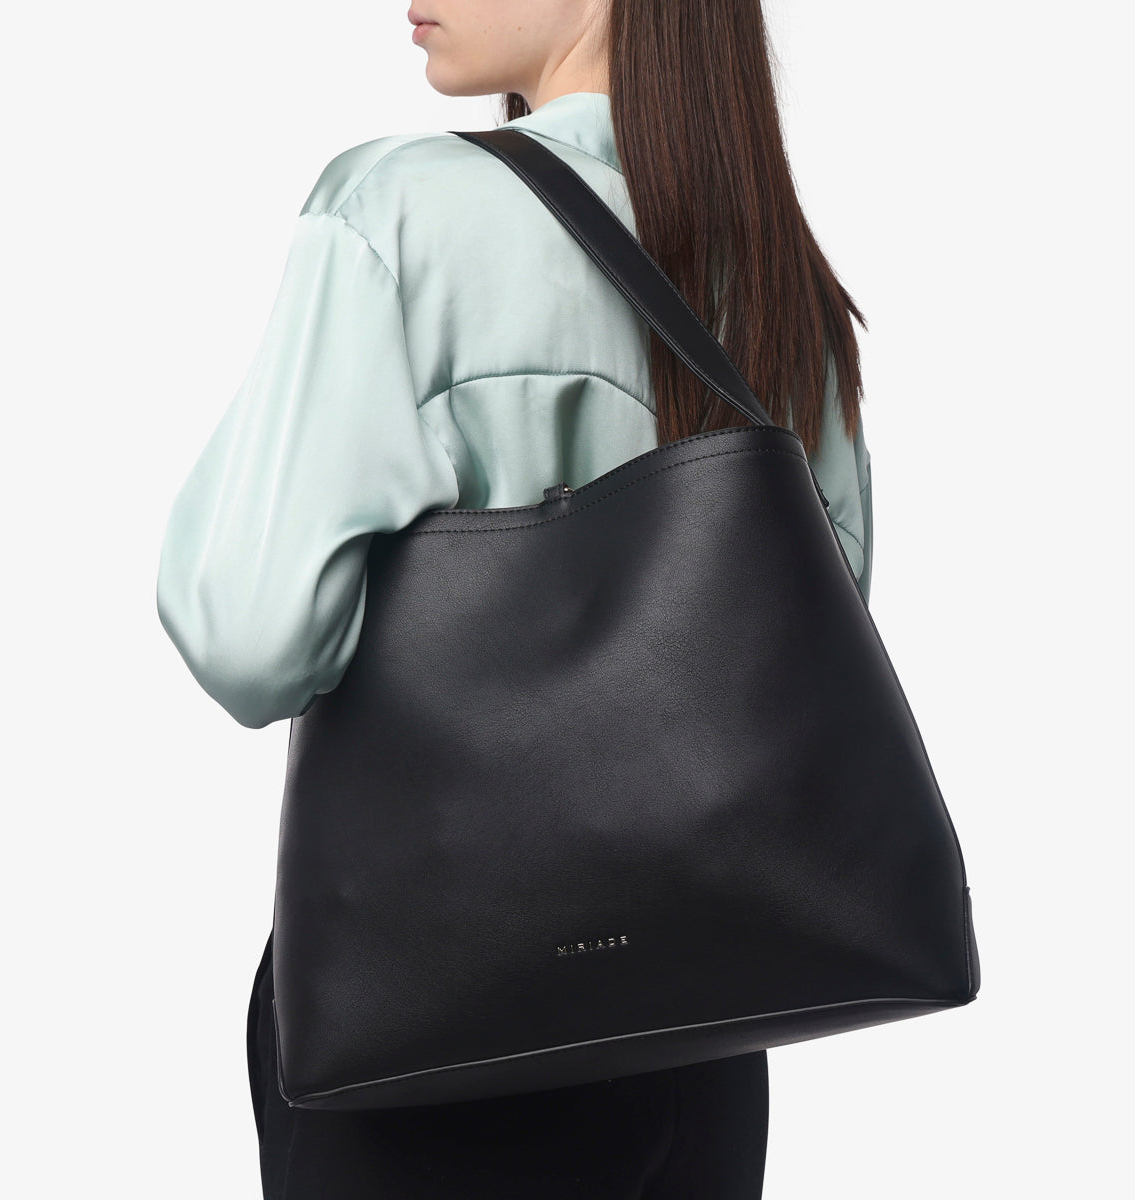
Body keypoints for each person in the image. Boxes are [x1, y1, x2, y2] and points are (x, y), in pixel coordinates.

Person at [156, 3, 872, 1196]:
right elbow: (817, 665)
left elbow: (252, 636)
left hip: (430, 1023)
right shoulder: (783, 273)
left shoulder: (397, 214)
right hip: (705, 1023)